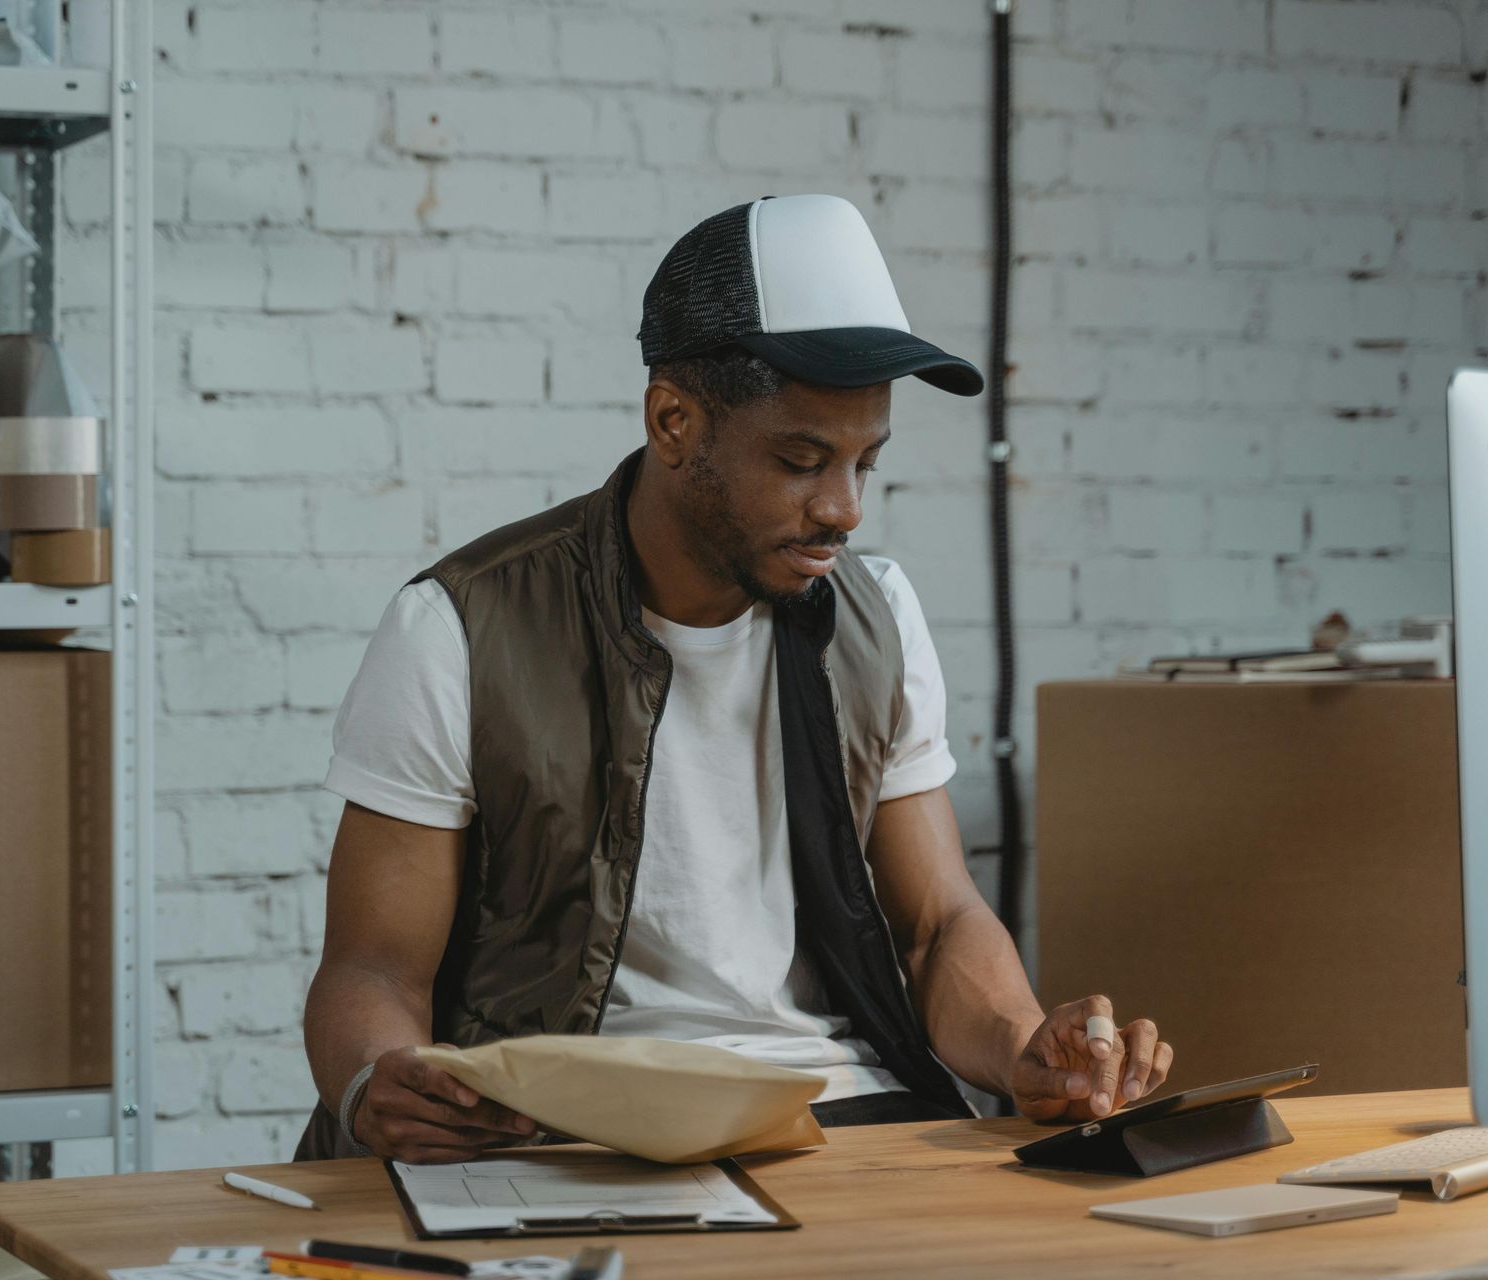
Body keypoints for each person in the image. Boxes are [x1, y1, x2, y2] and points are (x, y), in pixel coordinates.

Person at [297, 195, 1172, 1163]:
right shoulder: (463, 627)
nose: (843, 509)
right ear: (674, 420)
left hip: (842, 1126)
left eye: (865, 463)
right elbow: (371, 965)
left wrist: (1020, 1048)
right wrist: (378, 1076)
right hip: (565, 1133)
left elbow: (936, 925)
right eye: (803, 460)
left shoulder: (875, 619)